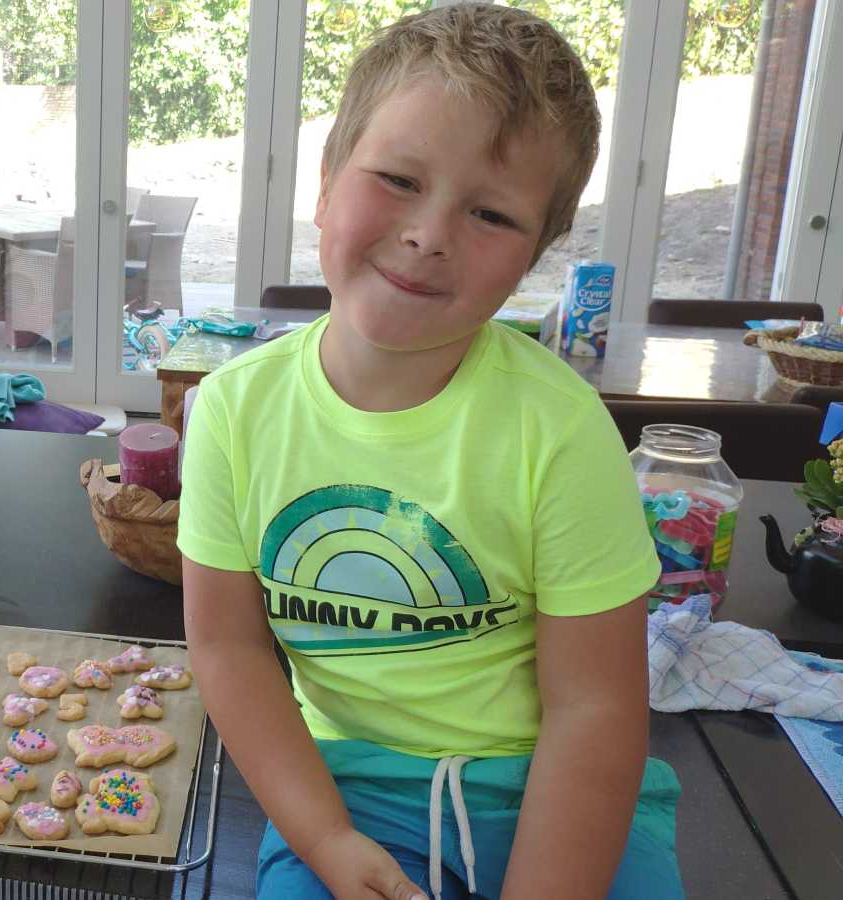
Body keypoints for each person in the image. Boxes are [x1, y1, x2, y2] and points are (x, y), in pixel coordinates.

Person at [178, 5, 682, 899]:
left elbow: (595, 708)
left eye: (491, 213)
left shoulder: (560, 430)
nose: (430, 233)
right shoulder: (231, 410)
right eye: (399, 179)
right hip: (347, 790)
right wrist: (326, 837)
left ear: (534, 256)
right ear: (326, 183)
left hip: (551, 787)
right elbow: (229, 650)